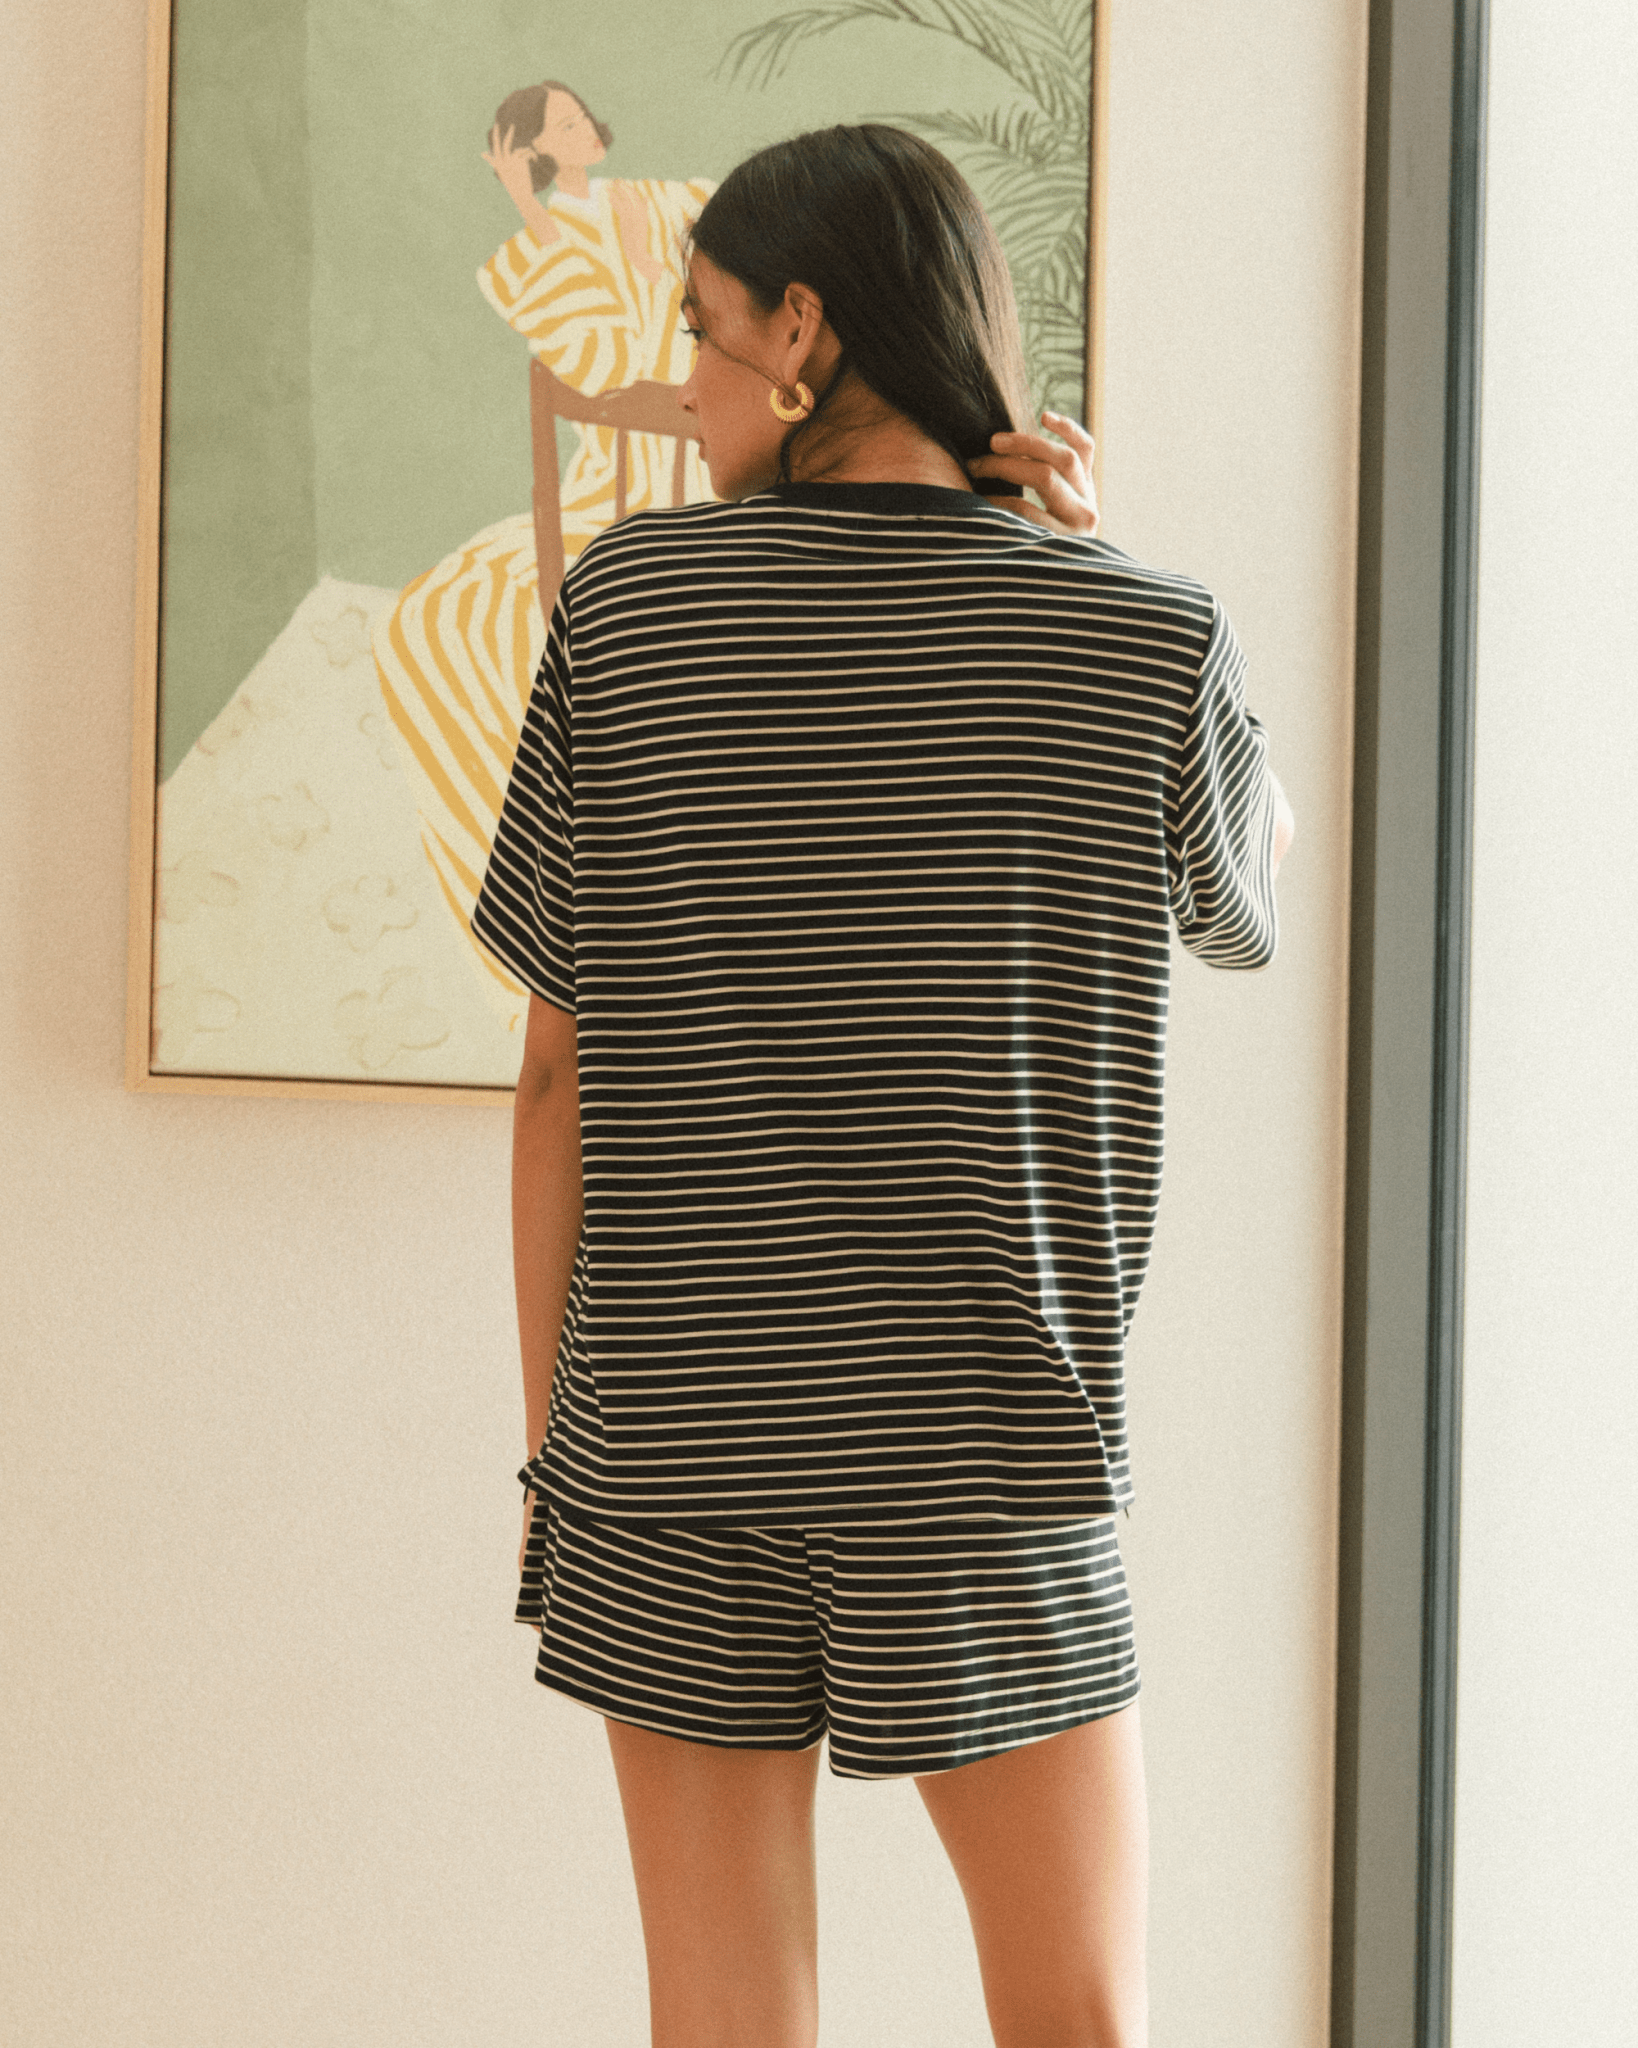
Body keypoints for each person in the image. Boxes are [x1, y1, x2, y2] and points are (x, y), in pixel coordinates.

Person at [471, 123, 1295, 2048]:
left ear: (802, 328)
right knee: (1076, 2016)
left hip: (673, 1439)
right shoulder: (1135, 630)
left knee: (723, 2018)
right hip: (988, 1441)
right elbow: (1245, 900)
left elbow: (551, 1077)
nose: (684, 387)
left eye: (700, 331)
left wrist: (554, 1457)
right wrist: (1092, 555)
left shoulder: (629, 610)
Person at [371, 80, 715, 1033]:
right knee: (445, 612)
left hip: (709, 473)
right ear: (532, 150)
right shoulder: (546, 244)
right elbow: (597, 365)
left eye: (578, 116)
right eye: (557, 126)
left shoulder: (670, 199)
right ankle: (528, 905)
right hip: (618, 476)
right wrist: (531, 209)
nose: (579, 130)